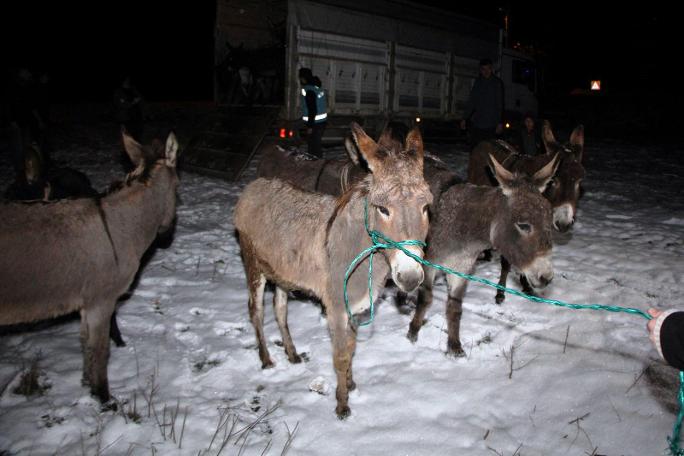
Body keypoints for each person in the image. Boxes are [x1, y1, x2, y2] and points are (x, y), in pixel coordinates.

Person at [460, 58, 504, 148]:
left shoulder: (497, 83)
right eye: (483, 69)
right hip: (478, 123)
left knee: (489, 150)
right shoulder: (478, 82)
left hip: (491, 124)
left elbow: (500, 104)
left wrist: (499, 122)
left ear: (491, 69)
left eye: (488, 69)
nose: (486, 71)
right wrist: (464, 118)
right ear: (480, 70)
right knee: (475, 148)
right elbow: (472, 101)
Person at [299, 68, 327, 158]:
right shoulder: (317, 87)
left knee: (313, 147)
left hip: (315, 124)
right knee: (316, 146)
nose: (300, 80)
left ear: (304, 78)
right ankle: (315, 165)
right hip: (320, 122)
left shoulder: (309, 90)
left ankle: (315, 166)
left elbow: (312, 109)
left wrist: (310, 126)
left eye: (301, 77)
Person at [112, 76, 144, 141]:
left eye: (128, 80)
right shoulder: (119, 92)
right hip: (125, 118)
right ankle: (125, 150)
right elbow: (120, 104)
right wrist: (132, 102)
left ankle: (136, 148)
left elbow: (141, 100)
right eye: (126, 80)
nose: (127, 81)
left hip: (136, 117)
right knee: (126, 136)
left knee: (137, 135)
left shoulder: (133, 90)